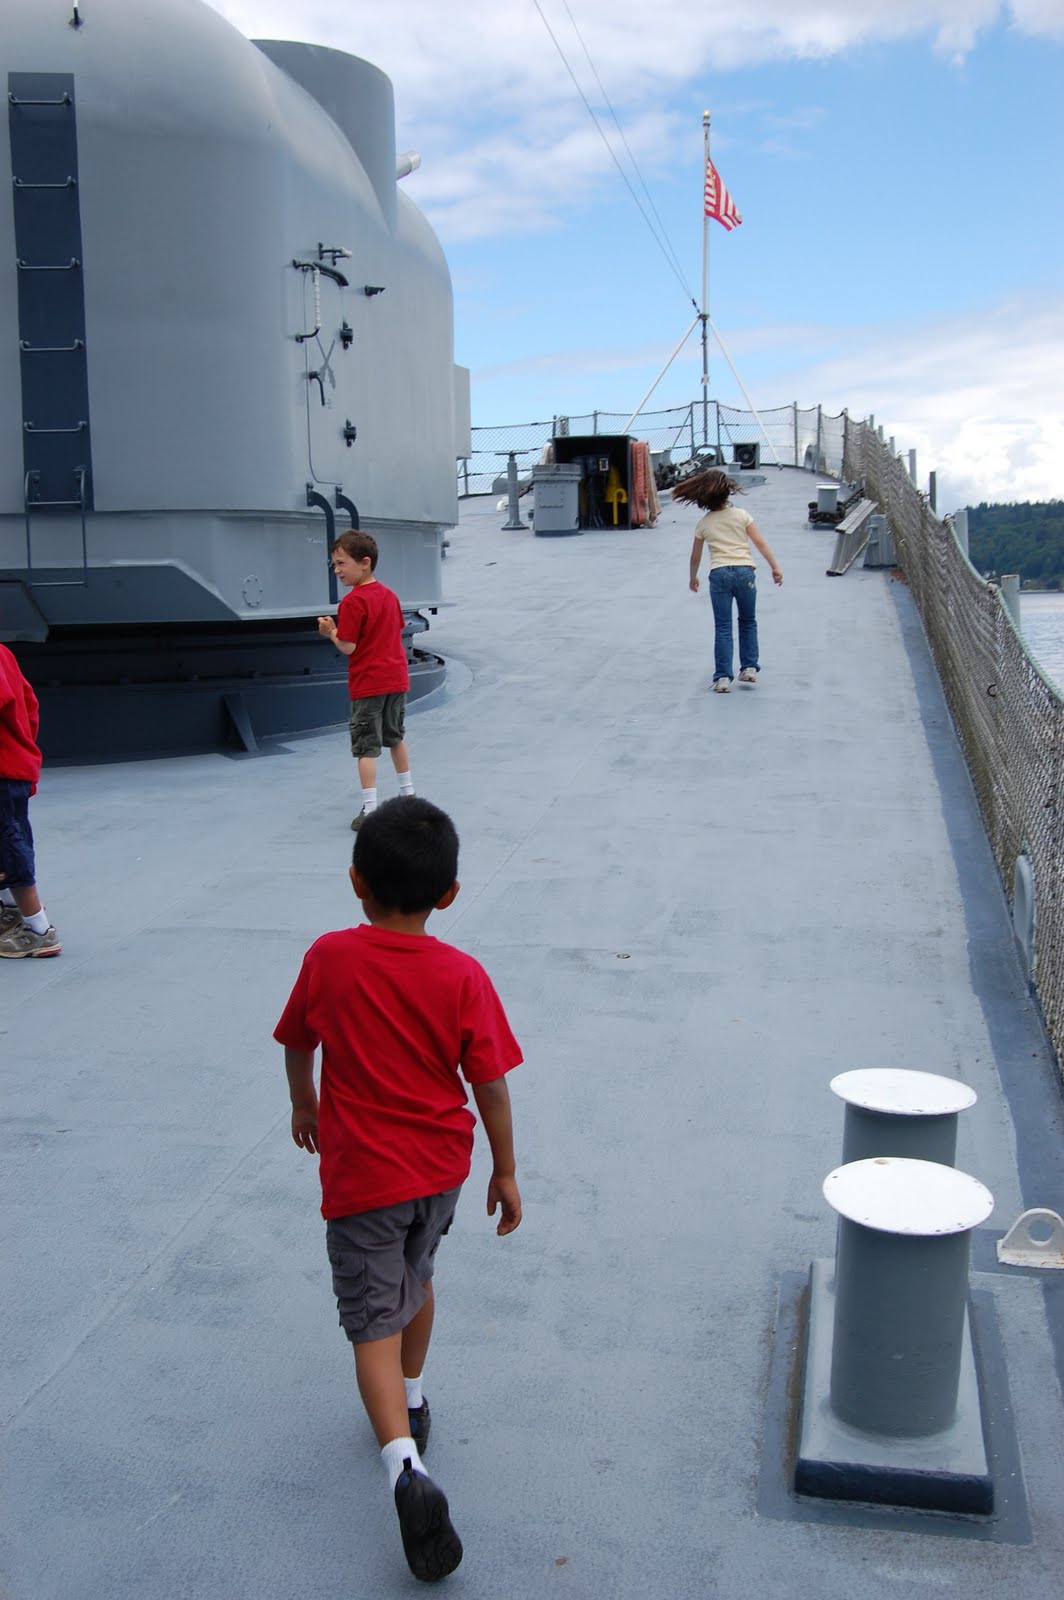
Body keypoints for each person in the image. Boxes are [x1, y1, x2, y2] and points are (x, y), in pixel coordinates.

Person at [274, 797, 522, 1584]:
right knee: (418, 1281)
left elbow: (298, 1042)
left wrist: (304, 1104)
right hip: (441, 1173)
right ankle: (414, 1397)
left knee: (370, 1325)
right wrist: (506, 1169)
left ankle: (404, 1467)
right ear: (449, 894)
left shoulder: (328, 958)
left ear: (357, 882)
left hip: (363, 1182)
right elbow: (490, 1085)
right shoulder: (463, 975)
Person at [317, 530, 415, 830]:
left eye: (341, 563)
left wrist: (330, 631)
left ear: (364, 562)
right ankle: (408, 795)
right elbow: (394, 630)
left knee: (365, 747)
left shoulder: (352, 602)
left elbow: (349, 646)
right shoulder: (390, 596)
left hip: (368, 683)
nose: (337, 570)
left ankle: (370, 808)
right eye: (334, 564)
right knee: (395, 737)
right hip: (396, 679)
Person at [676, 470, 783, 693]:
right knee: (748, 621)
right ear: (727, 493)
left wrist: (693, 576)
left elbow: (695, 556)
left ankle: (723, 678)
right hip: (745, 572)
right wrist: (775, 567)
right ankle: (749, 668)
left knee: (723, 626)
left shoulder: (703, 524)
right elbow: (760, 542)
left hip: (719, 574)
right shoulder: (742, 515)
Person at [0, 643, 60, 958]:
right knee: (10, 841)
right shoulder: (3, 654)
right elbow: (28, 707)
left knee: (10, 846)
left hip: (3, 770)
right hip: (12, 766)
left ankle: (38, 930)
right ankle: (10, 913)